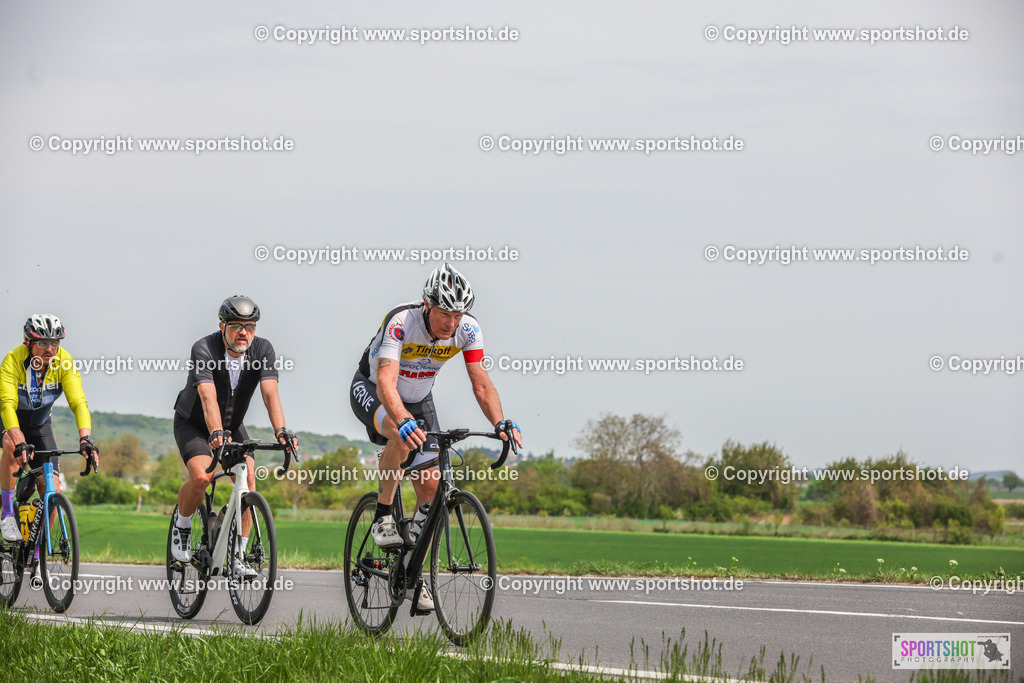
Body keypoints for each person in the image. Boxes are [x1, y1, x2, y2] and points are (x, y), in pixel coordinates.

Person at [350, 263, 522, 611]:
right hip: (373, 390)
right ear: (427, 304)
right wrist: (402, 419)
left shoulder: (468, 330)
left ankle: (411, 574)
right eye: (445, 313)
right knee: (400, 434)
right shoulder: (401, 321)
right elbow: (385, 381)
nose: (451, 322)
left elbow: (481, 383)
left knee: (431, 485)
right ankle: (383, 515)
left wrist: (500, 421)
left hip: (420, 400)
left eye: (458, 314)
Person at [170, 295, 297, 578]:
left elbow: (270, 393)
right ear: (222, 326)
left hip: (231, 426)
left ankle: (238, 554)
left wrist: (281, 431)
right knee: (201, 477)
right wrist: (215, 432)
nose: (244, 332)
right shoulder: (204, 348)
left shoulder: (263, 349)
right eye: (237, 325)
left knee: (248, 481)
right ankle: (182, 524)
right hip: (194, 424)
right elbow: (207, 396)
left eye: (250, 326)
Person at [1, 314, 99, 543]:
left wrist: (85, 439)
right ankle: (7, 514)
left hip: (40, 425)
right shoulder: (12, 360)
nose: (49, 350)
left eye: (54, 343)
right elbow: (6, 405)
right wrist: (18, 440)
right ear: (28, 342)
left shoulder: (64, 361)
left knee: (53, 491)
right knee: (11, 445)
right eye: (43, 343)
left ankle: (37, 553)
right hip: (9, 420)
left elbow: (79, 403)